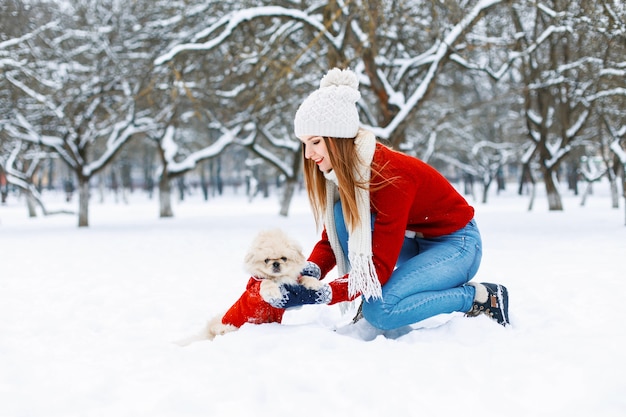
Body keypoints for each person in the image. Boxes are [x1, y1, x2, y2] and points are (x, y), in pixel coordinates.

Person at [264, 68, 509, 329]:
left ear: (338, 137)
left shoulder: (390, 175)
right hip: (415, 242)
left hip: (457, 245)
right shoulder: (343, 174)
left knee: (380, 313)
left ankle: (479, 298)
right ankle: (373, 295)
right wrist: (303, 275)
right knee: (340, 216)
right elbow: (332, 238)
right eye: (304, 144)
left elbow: (379, 267)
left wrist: (324, 294)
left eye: (315, 142)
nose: (309, 153)